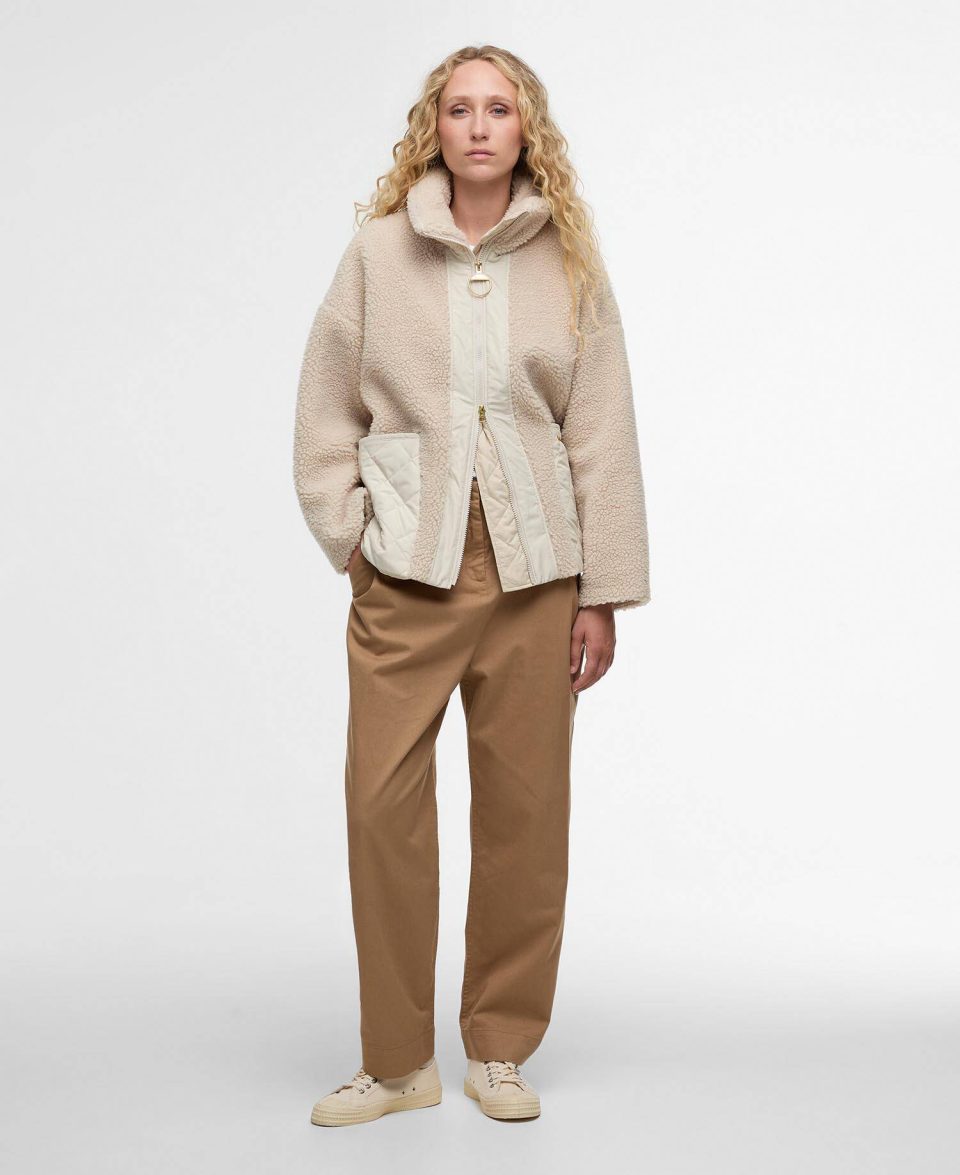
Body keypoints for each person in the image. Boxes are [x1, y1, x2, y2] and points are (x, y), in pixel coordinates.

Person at [293, 44, 650, 1127]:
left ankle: (499, 1046)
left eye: (500, 108)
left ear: (526, 127)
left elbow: (601, 429)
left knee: (526, 817)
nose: (480, 126)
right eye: (460, 109)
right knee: (379, 808)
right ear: (434, 128)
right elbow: (325, 406)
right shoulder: (377, 254)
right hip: (409, 569)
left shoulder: (570, 261)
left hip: (538, 575)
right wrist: (355, 539)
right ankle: (399, 1062)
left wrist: (602, 590)